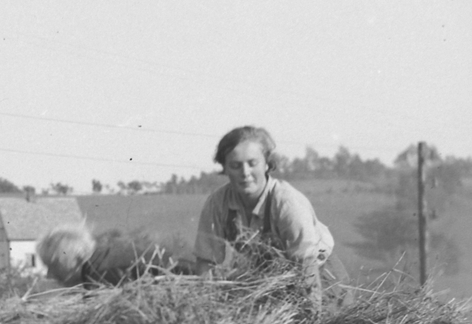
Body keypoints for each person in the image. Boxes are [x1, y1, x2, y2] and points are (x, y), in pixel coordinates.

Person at [194, 126, 350, 311]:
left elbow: (306, 266)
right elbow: (206, 263)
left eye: (252, 163)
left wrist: (311, 317)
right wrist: (205, 309)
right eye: (235, 165)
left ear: (267, 164)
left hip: (320, 275)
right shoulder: (217, 204)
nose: (245, 173)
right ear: (225, 168)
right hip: (273, 279)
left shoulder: (286, 203)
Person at [36, 224, 192, 288]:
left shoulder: (102, 272)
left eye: (53, 265)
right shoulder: (104, 254)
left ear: (76, 258)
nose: (50, 274)